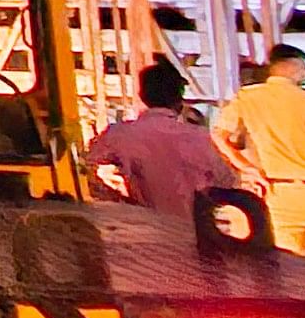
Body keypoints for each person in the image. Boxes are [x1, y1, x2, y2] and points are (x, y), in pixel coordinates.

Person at [213, 45, 305, 268]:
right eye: (304, 68)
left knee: (288, 267)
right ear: (295, 67)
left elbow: (218, 135)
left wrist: (245, 167)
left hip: (277, 192)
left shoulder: (247, 98)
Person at [82, 62, 240, 220]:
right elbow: (227, 182)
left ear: (143, 96)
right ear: (179, 98)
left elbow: (86, 168)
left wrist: (115, 197)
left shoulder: (121, 134)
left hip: (146, 227)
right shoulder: (201, 138)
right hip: (193, 231)